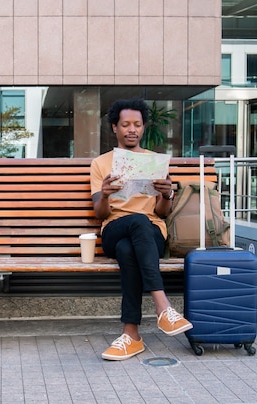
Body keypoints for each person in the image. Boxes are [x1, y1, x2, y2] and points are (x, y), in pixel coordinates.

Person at [90, 97, 193, 361]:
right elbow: (100, 214)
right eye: (126, 124)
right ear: (115, 127)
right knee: (135, 223)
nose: (132, 129)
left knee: (128, 249)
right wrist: (104, 194)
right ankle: (163, 307)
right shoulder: (101, 164)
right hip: (114, 227)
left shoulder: (155, 162)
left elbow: (161, 213)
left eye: (137, 124)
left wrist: (167, 194)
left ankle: (132, 335)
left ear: (144, 127)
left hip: (150, 233)